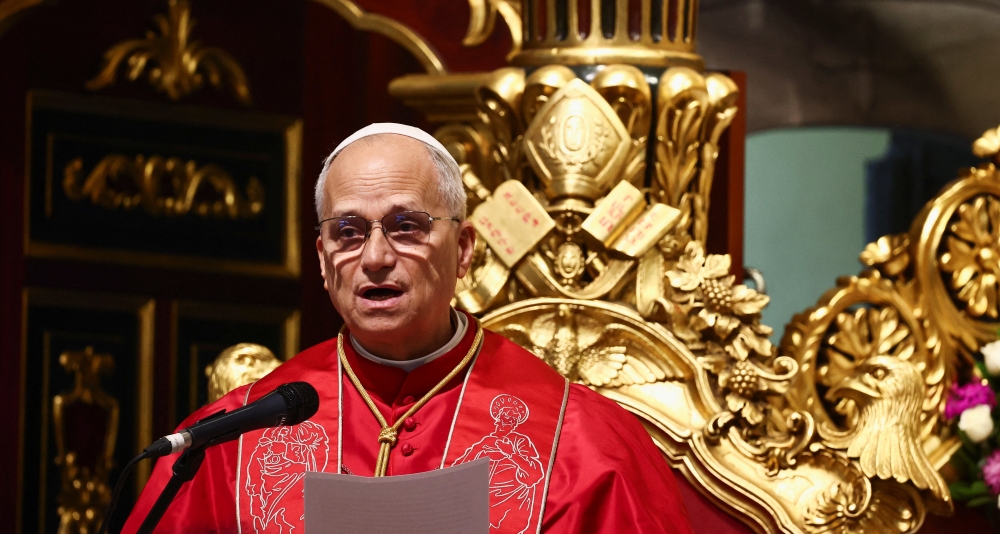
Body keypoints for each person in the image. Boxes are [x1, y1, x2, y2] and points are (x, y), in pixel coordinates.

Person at [122, 123, 694, 533]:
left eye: (406, 226)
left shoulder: (584, 444)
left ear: (464, 249)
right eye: (348, 231)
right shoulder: (230, 444)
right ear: (322, 258)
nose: (374, 257)